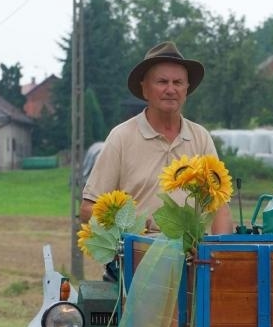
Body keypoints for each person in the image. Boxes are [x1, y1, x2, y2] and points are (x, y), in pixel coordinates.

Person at [80, 41, 233, 236]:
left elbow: (219, 205)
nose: (170, 89)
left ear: (186, 89)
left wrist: (219, 251)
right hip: (137, 252)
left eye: (177, 82)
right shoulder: (121, 137)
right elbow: (88, 209)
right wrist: (131, 225)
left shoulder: (200, 137)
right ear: (145, 89)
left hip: (193, 253)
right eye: (162, 82)